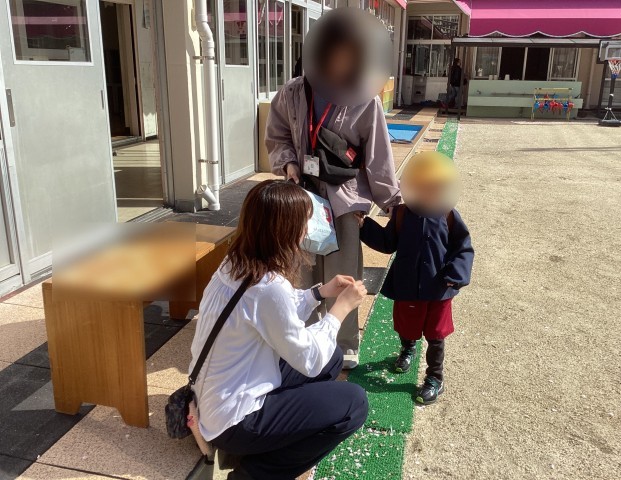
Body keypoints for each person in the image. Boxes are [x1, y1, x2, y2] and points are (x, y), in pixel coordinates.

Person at [190, 180, 369, 480]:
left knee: (333, 358)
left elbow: (272, 313)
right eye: (304, 222)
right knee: (354, 403)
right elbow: (309, 360)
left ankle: (276, 438)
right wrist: (341, 308)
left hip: (215, 397)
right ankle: (254, 473)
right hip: (234, 420)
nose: (308, 230)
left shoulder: (234, 263)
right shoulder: (269, 287)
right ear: (284, 230)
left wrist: (319, 293)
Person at [265, 13, 400, 369]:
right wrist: (288, 164)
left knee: (343, 272)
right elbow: (277, 137)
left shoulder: (366, 98)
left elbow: (378, 155)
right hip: (302, 196)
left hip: (345, 201)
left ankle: (344, 342)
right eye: (335, 53)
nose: (340, 62)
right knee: (301, 269)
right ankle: (301, 336)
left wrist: (391, 202)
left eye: (348, 55)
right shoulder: (292, 92)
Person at [356, 151, 474, 405]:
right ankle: (407, 349)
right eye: (422, 187)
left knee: (436, 335)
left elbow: (463, 247)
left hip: (438, 288)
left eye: (434, 187)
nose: (428, 192)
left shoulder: (449, 215)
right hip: (407, 284)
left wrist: (456, 273)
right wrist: (365, 226)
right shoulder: (402, 213)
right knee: (406, 325)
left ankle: (435, 377)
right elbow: (387, 243)